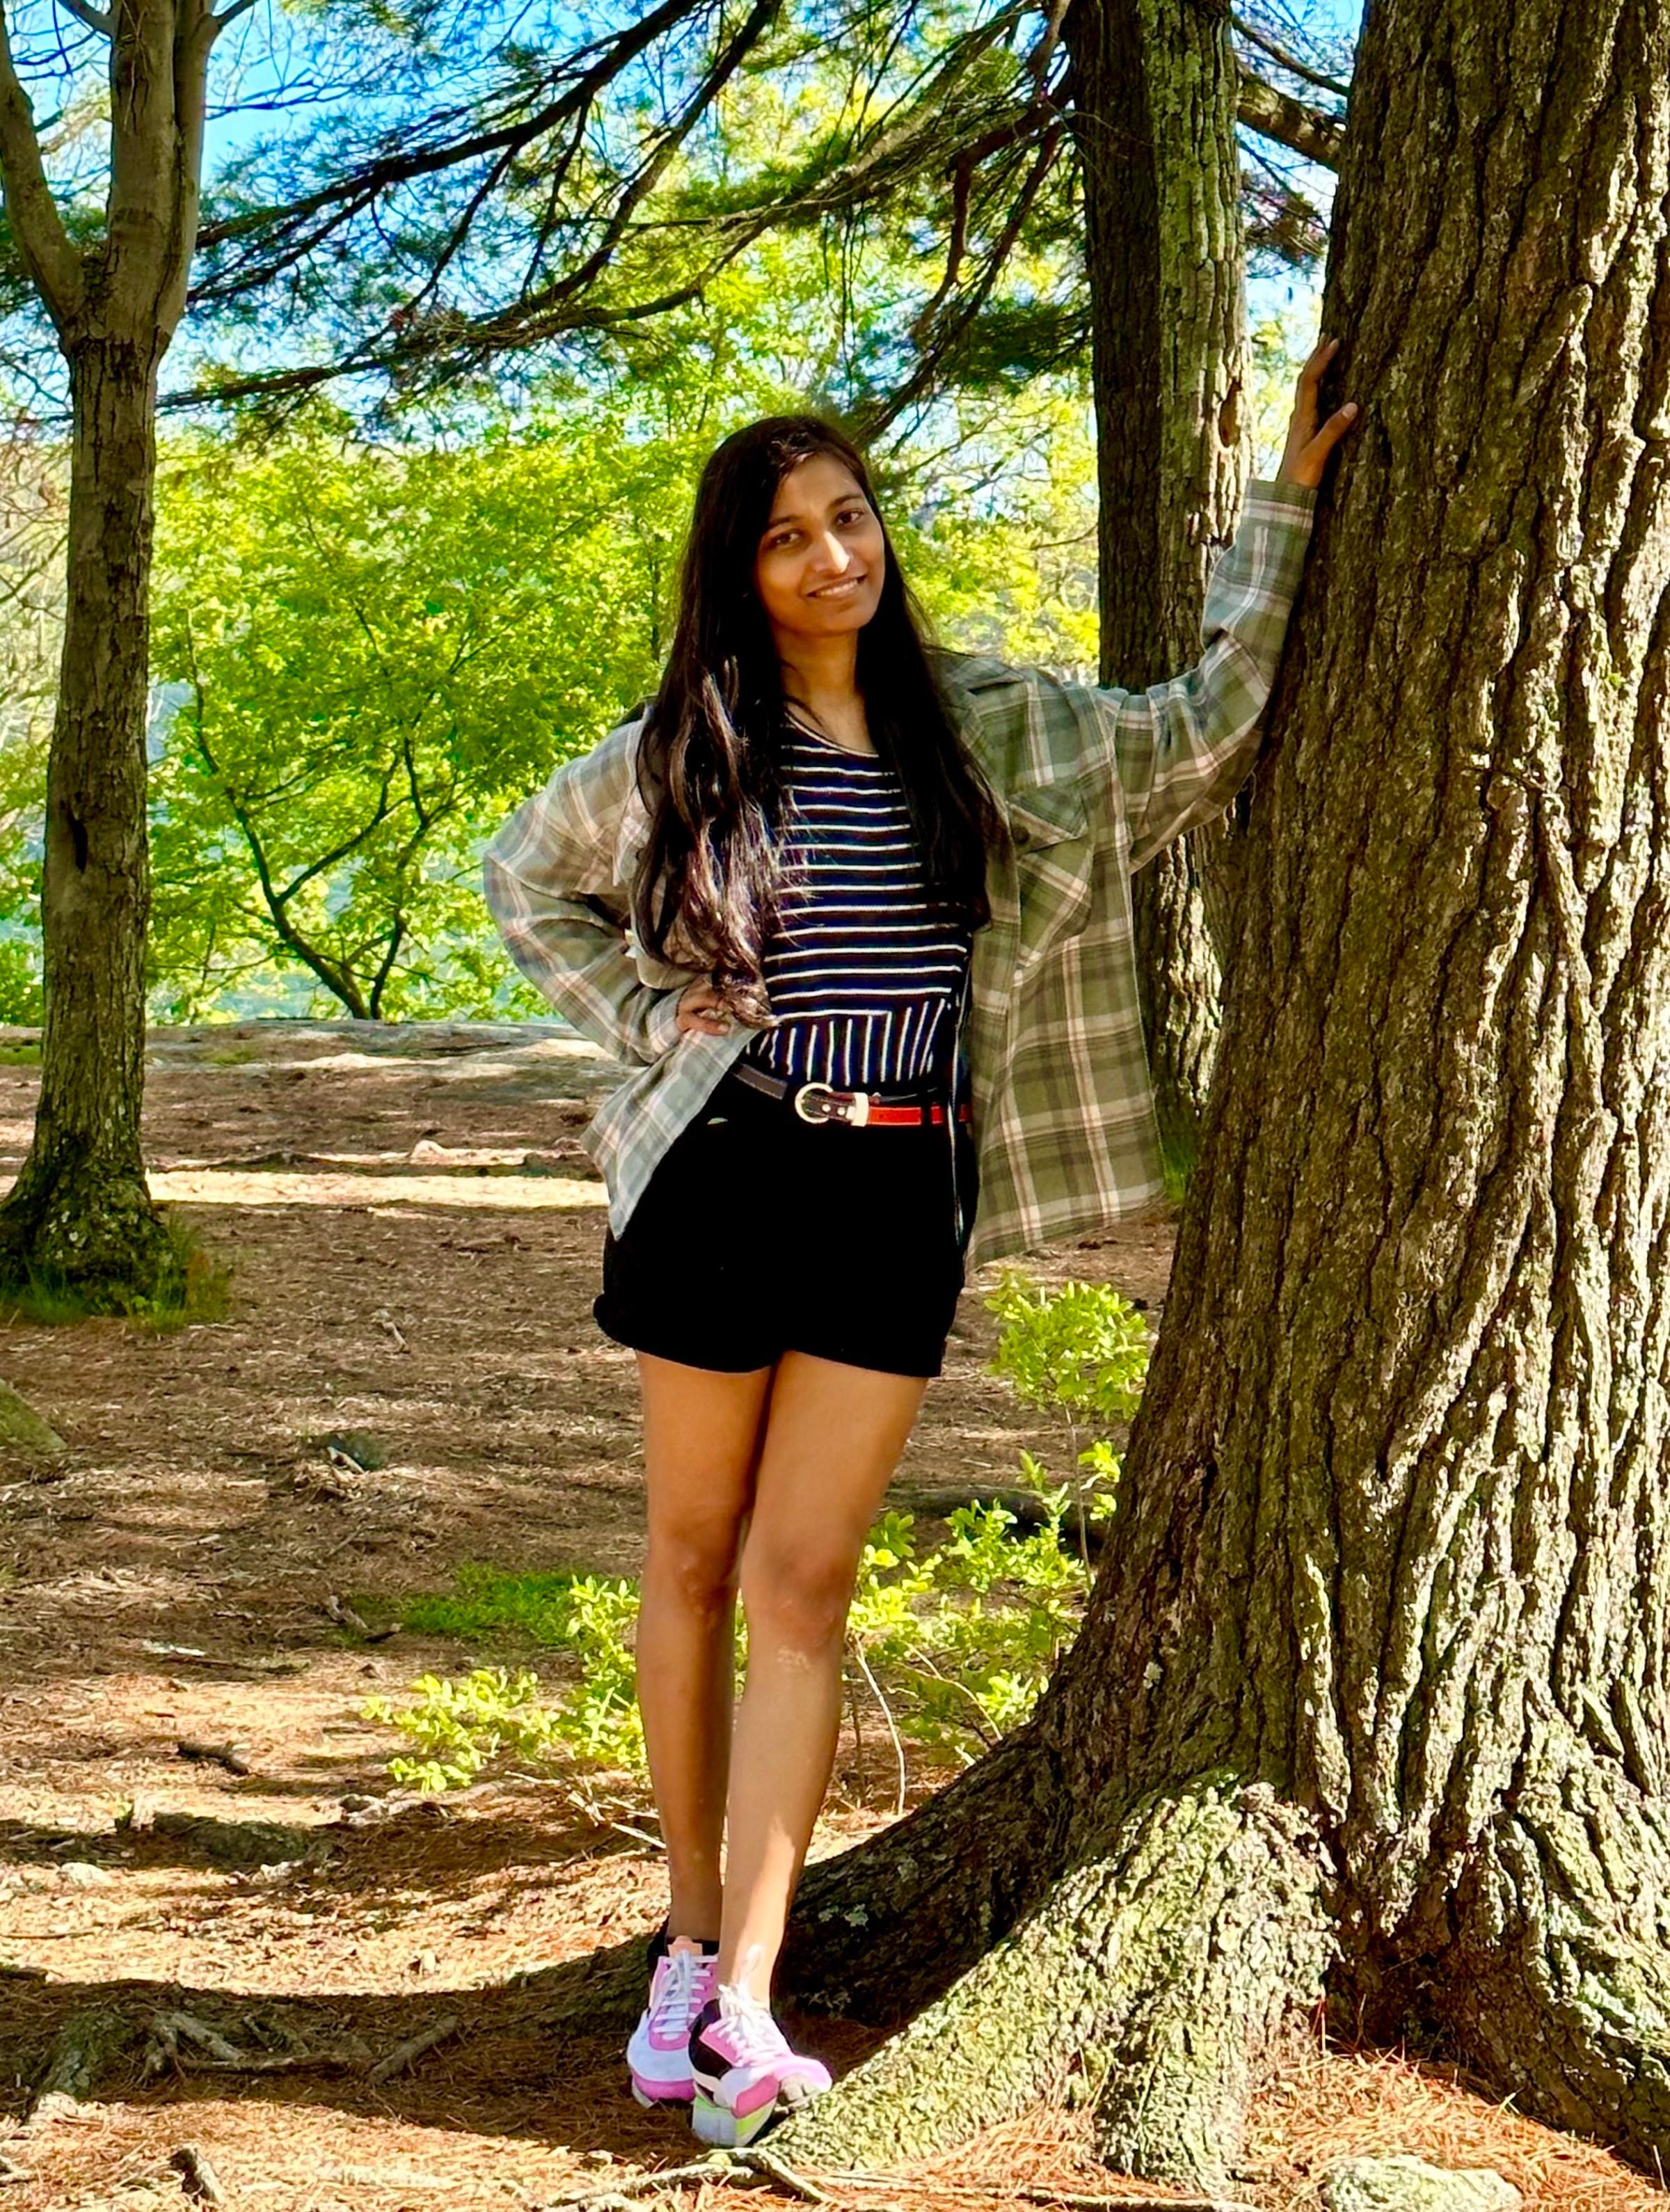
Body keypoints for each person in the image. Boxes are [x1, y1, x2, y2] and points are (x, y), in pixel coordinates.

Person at [483, 340, 1356, 2147]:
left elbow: (1203, 722)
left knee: (805, 1585)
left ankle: (747, 1996)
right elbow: (521, 875)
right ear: (741, 573)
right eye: (788, 536)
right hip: (725, 1167)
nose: (834, 555)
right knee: (693, 1561)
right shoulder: (688, 752)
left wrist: (1285, 500)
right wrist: (644, 1021)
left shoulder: (991, 726)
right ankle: (683, 1951)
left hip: (899, 1190)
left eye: (850, 516)